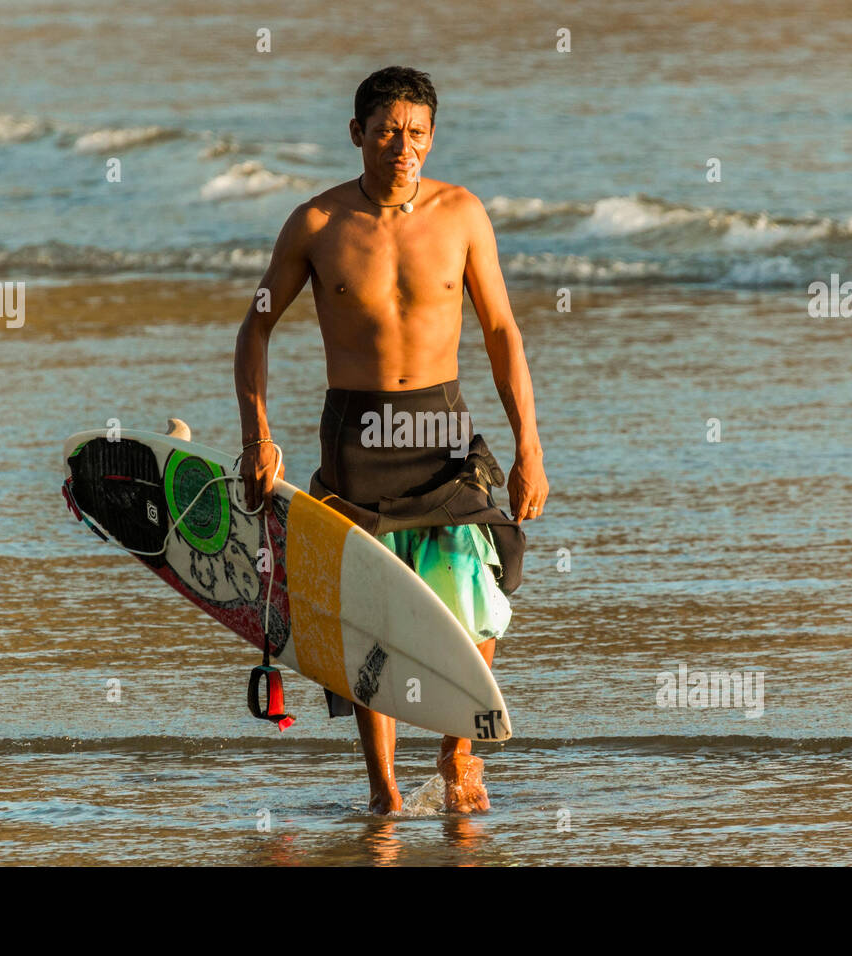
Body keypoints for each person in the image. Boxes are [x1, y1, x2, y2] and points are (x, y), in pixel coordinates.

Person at [234, 65, 547, 814]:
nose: (402, 147)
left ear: (432, 138)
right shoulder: (315, 224)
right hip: (358, 433)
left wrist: (529, 445)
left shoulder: (463, 215)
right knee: (366, 611)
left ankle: (456, 748)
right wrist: (257, 438)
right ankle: (384, 793)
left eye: (416, 133)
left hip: (442, 430)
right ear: (357, 135)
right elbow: (256, 326)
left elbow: (502, 332)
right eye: (386, 132)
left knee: (474, 593)